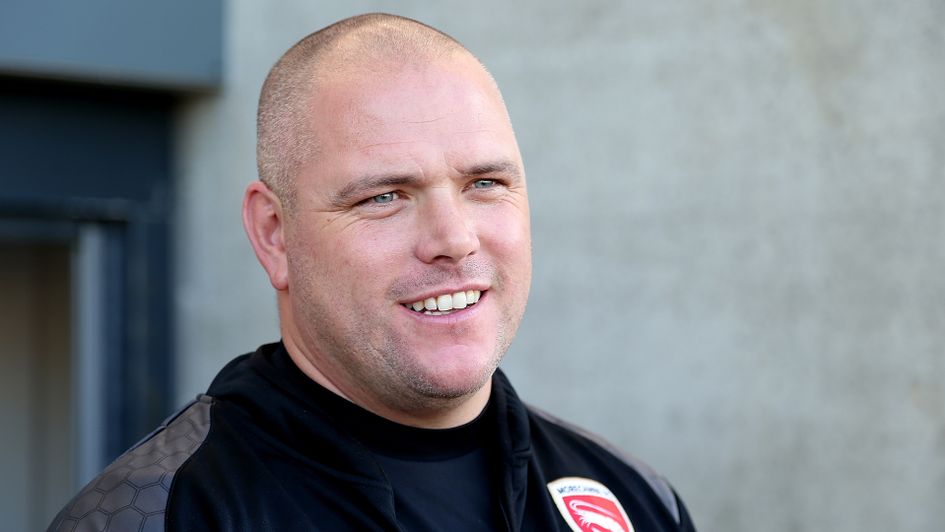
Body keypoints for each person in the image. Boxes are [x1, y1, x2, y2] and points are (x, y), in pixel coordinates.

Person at [49, 13, 696, 532]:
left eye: (484, 183)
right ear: (274, 234)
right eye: (383, 196)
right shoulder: (165, 513)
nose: (453, 239)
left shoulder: (632, 498)